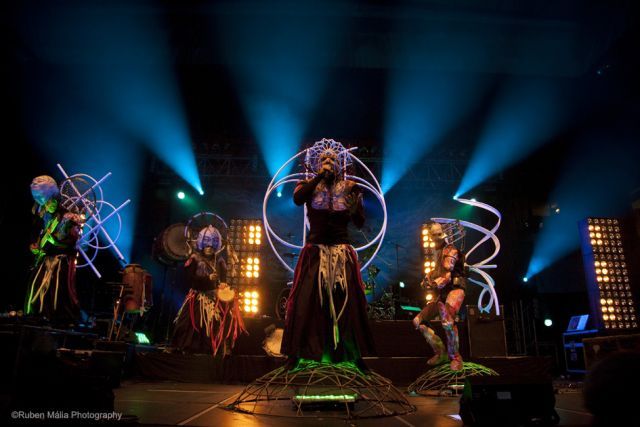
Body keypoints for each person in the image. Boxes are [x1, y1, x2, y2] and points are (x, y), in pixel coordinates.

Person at [281, 139, 375, 370]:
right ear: (317, 163)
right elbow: (297, 199)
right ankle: (297, 353)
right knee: (306, 301)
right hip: (315, 251)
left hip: (342, 251)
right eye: (324, 158)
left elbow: (360, 223)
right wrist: (319, 177)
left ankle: (354, 355)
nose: (329, 161)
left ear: (340, 163)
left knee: (348, 302)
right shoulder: (307, 185)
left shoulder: (351, 187)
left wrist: (355, 210)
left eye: (333, 158)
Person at [171, 225, 246, 356]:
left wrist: (223, 286)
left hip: (214, 299)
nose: (209, 248)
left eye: (212, 246)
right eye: (206, 245)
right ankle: (186, 349)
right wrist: (207, 279)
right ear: (202, 244)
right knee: (191, 323)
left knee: (219, 322)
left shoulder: (220, 261)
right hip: (197, 297)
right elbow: (189, 280)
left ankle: (213, 350)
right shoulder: (194, 259)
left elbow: (223, 280)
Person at [27, 175, 83, 325]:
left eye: (41, 197)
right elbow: (36, 231)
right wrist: (34, 244)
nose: (39, 201)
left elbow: (71, 243)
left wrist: (55, 241)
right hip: (44, 257)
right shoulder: (40, 211)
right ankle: (36, 316)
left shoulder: (67, 217)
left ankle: (58, 320)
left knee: (57, 291)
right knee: (36, 285)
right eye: (35, 197)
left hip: (60, 261)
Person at [413, 221, 466, 371]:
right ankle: (441, 352)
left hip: (455, 290)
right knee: (418, 321)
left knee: (447, 321)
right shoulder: (437, 253)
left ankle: (455, 357)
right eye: (434, 235)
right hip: (443, 294)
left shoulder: (450, 250)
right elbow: (435, 273)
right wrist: (427, 280)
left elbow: (446, 275)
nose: (437, 237)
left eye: (439, 234)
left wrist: (434, 283)